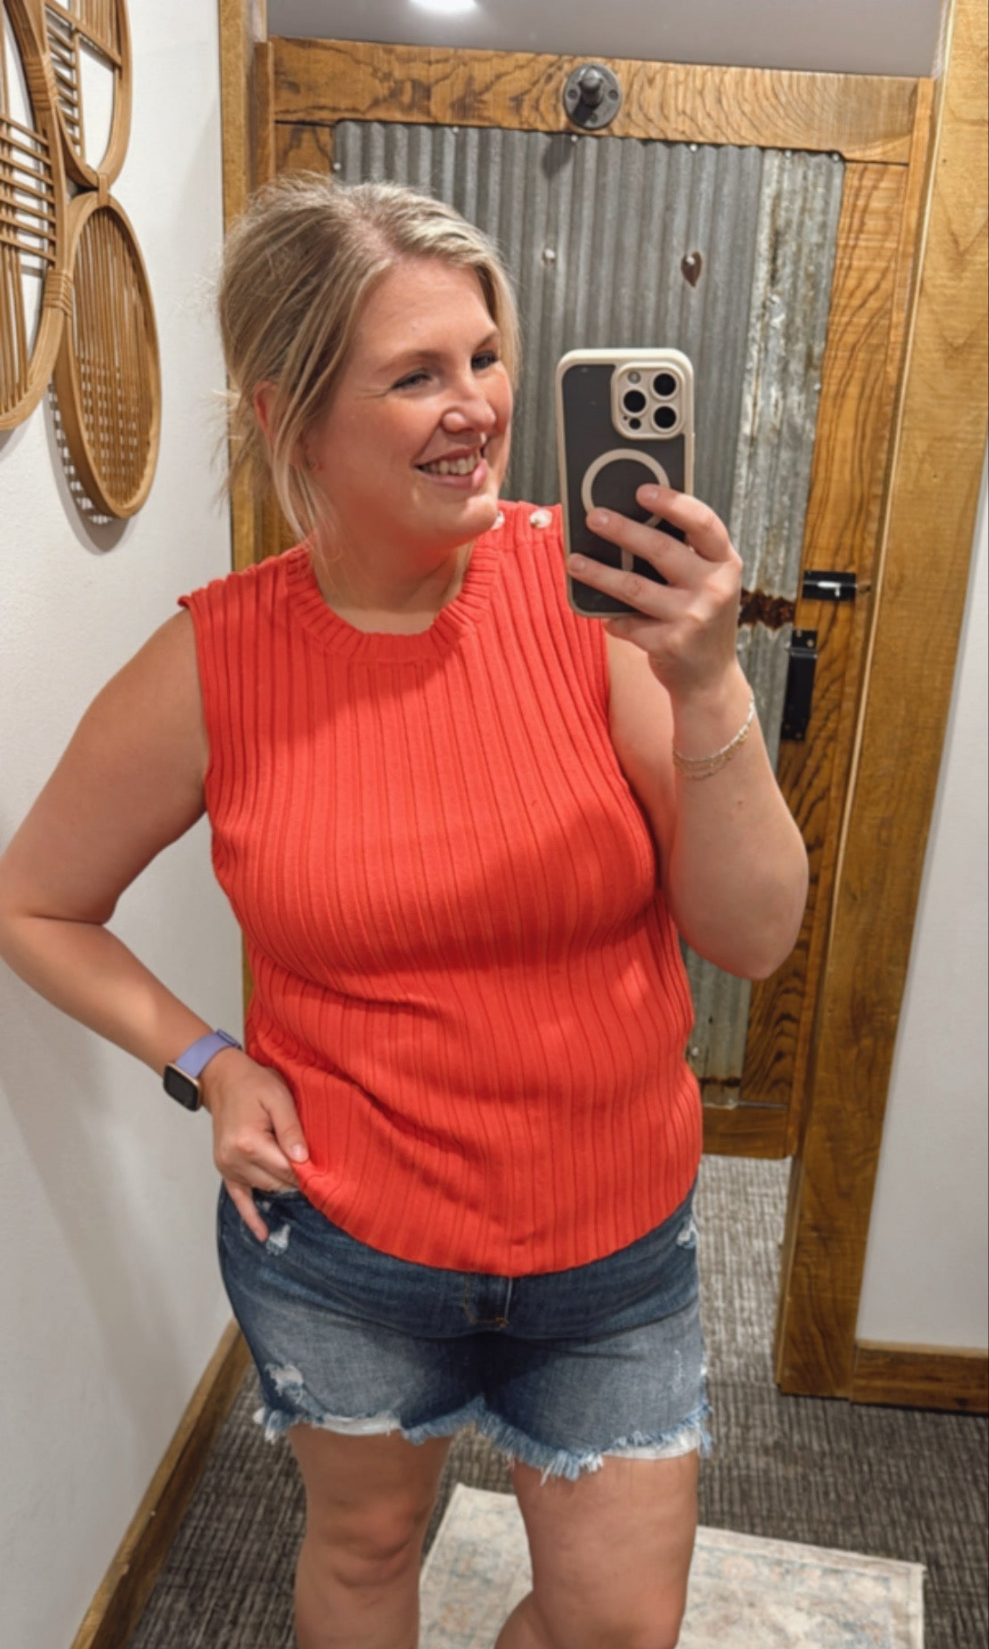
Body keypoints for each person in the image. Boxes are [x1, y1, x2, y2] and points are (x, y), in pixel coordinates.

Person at [0, 176, 808, 1649]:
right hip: (351, 1252)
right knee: (368, 1553)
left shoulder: (595, 600)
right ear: (292, 417)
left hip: (613, 1248)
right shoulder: (215, 664)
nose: (477, 405)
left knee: (618, 1627)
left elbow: (755, 933)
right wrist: (209, 1063)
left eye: (486, 356)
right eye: (416, 374)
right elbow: (38, 904)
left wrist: (705, 683)